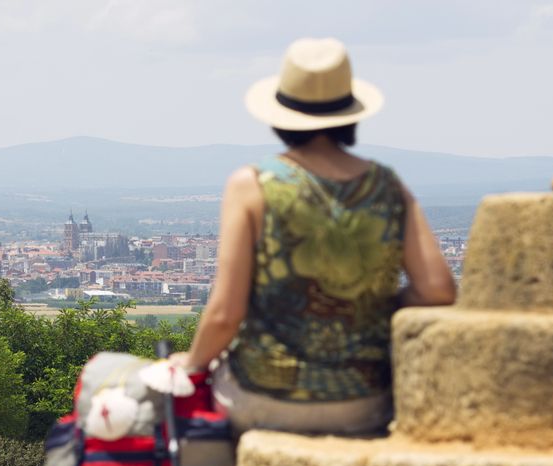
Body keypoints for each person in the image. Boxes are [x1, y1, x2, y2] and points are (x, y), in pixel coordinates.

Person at [172, 38, 456, 436]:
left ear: (280, 115)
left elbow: (224, 314)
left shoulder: (253, 184)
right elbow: (438, 289)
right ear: (349, 113)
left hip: (265, 396)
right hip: (364, 401)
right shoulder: (388, 185)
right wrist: (366, 299)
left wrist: (191, 366)